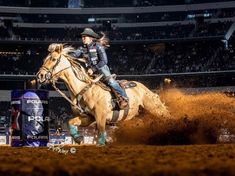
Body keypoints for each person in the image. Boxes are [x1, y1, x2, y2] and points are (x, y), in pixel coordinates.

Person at [71, 28, 129, 109]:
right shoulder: (82, 48)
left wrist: (93, 69)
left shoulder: (98, 46)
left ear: (90, 37)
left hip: (102, 69)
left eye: (85, 37)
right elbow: (74, 54)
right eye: (82, 37)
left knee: (111, 82)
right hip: (90, 72)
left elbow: (104, 61)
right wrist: (66, 55)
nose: (82, 38)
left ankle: (124, 97)